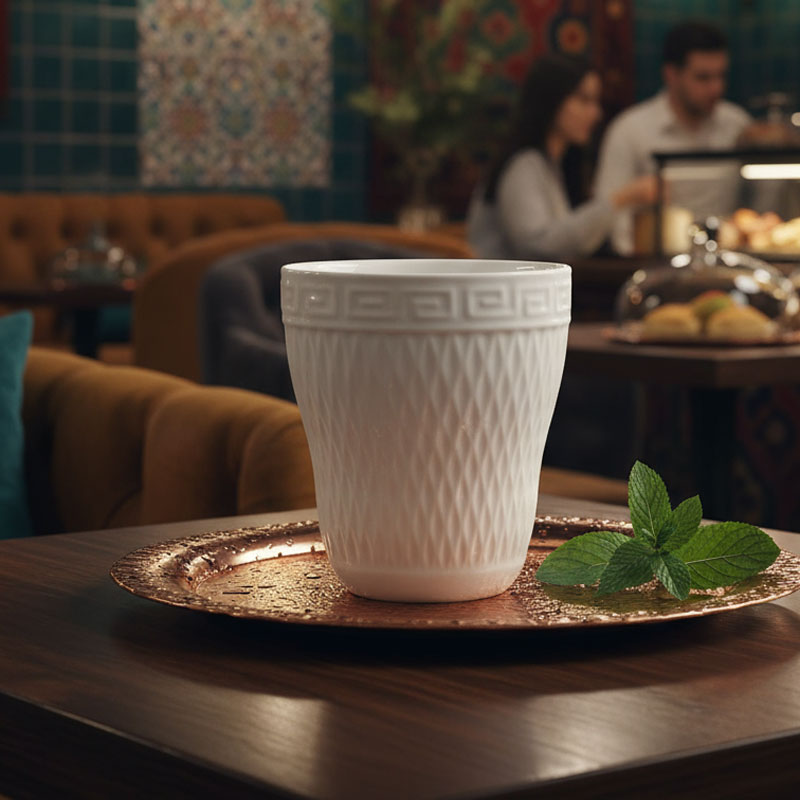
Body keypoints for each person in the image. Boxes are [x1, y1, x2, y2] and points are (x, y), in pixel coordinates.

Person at [467, 54, 656, 261]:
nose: (596, 113)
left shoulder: (552, 165)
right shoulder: (524, 164)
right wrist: (621, 199)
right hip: (504, 279)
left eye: (595, 102)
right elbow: (537, 247)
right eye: (584, 100)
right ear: (551, 99)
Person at [594, 20, 752, 255]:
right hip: (659, 262)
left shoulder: (738, 125)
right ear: (671, 75)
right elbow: (610, 216)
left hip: (731, 259)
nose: (716, 88)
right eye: (703, 77)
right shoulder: (630, 130)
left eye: (721, 76)